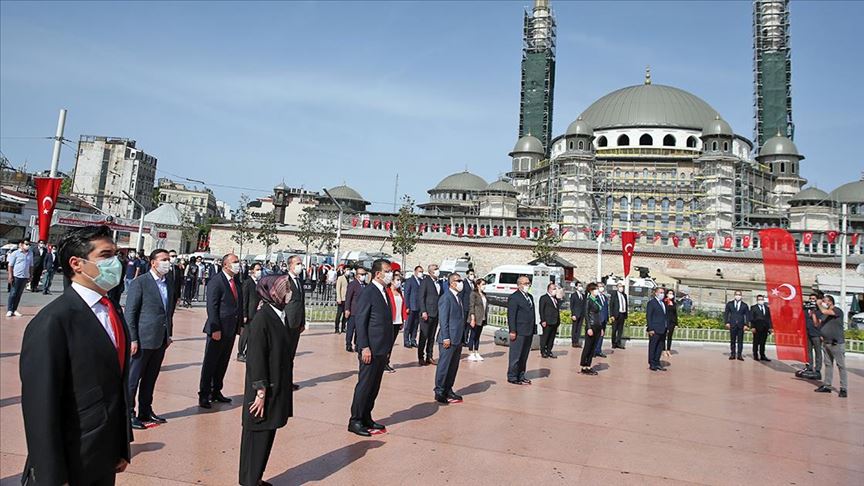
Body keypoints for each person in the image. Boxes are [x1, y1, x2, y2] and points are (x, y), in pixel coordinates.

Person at [19, 225, 131, 485]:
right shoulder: (53, 321)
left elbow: (116, 384)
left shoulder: (111, 309)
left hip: (103, 454)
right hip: (71, 459)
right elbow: (40, 406)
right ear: (76, 263)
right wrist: (51, 476)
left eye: (116, 254)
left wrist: (120, 446)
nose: (116, 263)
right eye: (105, 255)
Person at [238, 275, 295, 486]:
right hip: (263, 388)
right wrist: (259, 391)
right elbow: (256, 358)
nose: (288, 292)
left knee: (267, 435)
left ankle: (256, 477)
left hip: (276, 384)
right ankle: (249, 481)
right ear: (271, 292)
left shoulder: (279, 314)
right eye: (284, 289)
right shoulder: (263, 318)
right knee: (257, 436)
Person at [126, 248, 175, 430]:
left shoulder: (168, 282)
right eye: (163, 259)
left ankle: (145, 410)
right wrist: (133, 338)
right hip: (142, 339)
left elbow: (168, 311)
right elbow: (130, 312)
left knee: (150, 377)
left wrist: (168, 334)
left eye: (168, 259)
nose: (167, 262)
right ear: (153, 262)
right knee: (133, 379)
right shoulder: (140, 282)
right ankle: (129, 413)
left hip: (160, 339)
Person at [348, 259, 395, 437]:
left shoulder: (383, 291)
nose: (390, 274)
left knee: (374, 386)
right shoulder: (368, 292)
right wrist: (364, 346)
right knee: (365, 384)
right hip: (370, 348)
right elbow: (361, 321)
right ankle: (356, 420)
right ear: (378, 274)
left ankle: (367, 416)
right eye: (387, 271)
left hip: (382, 348)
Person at [198, 253, 244, 409]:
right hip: (218, 329)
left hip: (231, 329)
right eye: (235, 262)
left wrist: (240, 325)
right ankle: (204, 394)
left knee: (223, 362)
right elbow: (212, 307)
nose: (238, 264)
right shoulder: (216, 282)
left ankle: (216, 390)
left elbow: (239, 304)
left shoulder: (236, 282)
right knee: (211, 362)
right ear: (226, 265)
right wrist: (215, 328)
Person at [434, 273, 466, 403]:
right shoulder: (446, 298)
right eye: (458, 281)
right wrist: (446, 337)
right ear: (452, 283)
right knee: (444, 366)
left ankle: (448, 389)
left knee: (453, 366)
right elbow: (443, 320)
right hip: (448, 338)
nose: (460, 283)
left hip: (457, 338)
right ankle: (440, 391)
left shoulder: (458, 298)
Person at [813, 295, 847, 398]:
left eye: (825, 301)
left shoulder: (837, 311)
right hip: (826, 343)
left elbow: (824, 311)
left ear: (831, 302)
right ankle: (827, 385)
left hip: (836, 343)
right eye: (822, 301)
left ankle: (843, 388)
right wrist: (814, 313)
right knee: (828, 365)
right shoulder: (824, 313)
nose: (823, 303)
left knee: (841, 366)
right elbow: (817, 324)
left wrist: (819, 304)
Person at [507, 275, 536, 385]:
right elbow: (511, 315)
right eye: (525, 283)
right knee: (516, 355)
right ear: (519, 285)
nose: (528, 285)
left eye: (528, 283)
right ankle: (513, 376)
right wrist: (512, 330)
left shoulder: (530, 297)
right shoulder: (514, 298)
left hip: (528, 330)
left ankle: (521, 375)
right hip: (518, 330)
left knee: (524, 355)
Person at [283, 256, 307, 391]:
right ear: (290, 265)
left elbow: (301, 303)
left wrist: (302, 321)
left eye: (301, 264)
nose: (300, 266)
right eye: (298, 263)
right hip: (287, 322)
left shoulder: (299, 281)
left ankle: (288, 381)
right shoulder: (284, 280)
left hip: (296, 323)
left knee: (291, 354)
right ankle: (280, 380)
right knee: (283, 353)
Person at [418, 263, 443, 366]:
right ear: (430, 272)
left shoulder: (439, 282)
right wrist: (423, 311)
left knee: (432, 337)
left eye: (437, 268)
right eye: (435, 269)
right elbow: (421, 297)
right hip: (427, 313)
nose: (437, 270)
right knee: (424, 336)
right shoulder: (425, 281)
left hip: (436, 313)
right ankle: (421, 356)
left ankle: (430, 356)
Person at [238, 262, 263, 362]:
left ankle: (249, 352)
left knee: (254, 335)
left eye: (260, 269)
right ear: (252, 271)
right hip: (249, 313)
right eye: (257, 269)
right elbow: (244, 299)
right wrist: (244, 314)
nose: (259, 272)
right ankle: (241, 352)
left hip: (258, 312)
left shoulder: (260, 283)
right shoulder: (247, 283)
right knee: (245, 334)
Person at [385, 274, 408, 373]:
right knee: (386, 343)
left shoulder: (399, 292)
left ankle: (387, 361)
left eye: (400, 280)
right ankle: (383, 362)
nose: (399, 282)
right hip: (390, 321)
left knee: (391, 344)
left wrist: (403, 319)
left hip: (398, 321)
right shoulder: (387, 292)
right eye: (397, 280)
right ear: (392, 281)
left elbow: (403, 306)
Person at [579, 283, 603, 375]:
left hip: (597, 325)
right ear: (591, 291)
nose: (597, 290)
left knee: (593, 347)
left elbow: (598, 315)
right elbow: (586, 314)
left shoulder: (597, 300)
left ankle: (588, 365)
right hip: (591, 326)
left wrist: (601, 328)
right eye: (596, 289)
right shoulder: (588, 300)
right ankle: (583, 366)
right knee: (588, 346)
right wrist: (589, 327)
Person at [6, 239, 33, 317]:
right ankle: (9, 310)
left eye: (29, 244)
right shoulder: (15, 253)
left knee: (19, 294)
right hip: (16, 276)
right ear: (21, 244)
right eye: (26, 244)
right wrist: (10, 276)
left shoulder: (30, 254)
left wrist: (31, 275)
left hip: (25, 276)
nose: (28, 246)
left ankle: (15, 309)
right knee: (13, 293)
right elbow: (10, 265)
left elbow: (31, 265)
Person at [344, 266, 368, 352]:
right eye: (362, 274)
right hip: (353, 311)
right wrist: (347, 309)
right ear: (357, 275)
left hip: (362, 312)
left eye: (365, 274)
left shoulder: (366, 285)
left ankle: (358, 344)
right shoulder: (352, 284)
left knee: (360, 329)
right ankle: (348, 344)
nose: (364, 276)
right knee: (350, 329)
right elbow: (348, 298)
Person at [646, 287, 668, 371]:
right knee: (653, 346)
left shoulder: (663, 303)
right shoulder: (651, 303)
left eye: (663, 292)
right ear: (656, 293)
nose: (662, 294)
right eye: (660, 292)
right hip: (654, 329)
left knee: (660, 346)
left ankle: (657, 362)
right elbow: (649, 316)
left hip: (663, 329)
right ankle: (652, 363)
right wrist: (650, 328)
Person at [724, 290, 750, 361]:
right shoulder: (730, 304)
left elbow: (747, 316)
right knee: (732, 340)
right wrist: (727, 322)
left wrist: (746, 324)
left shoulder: (745, 305)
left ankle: (739, 355)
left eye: (739, 295)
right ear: (734, 295)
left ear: (741, 296)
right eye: (736, 294)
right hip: (732, 324)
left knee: (740, 341)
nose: (738, 296)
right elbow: (726, 314)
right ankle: (732, 354)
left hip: (741, 325)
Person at [402, 265, 424, 348]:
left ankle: (413, 339)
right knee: (408, 325)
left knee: (415, 325)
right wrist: (407, 306)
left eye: (422, 271)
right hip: (411, 306)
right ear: (415, 272)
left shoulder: (422, 281)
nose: (421, 273)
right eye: (419, 271)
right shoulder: (410, 281)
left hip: (419, 307)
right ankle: (406, 341)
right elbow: (407, 294)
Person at [467, 277, 489, 362]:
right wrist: (472, 318)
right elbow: (471, 306)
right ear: (478, 285)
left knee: (478, 336)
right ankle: (471, 352)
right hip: (475, 317)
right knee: (473, 335)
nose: (484, 286)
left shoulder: (484, 294)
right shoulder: (473, 294)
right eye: (483, 284)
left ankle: (476, 351)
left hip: (482, 318)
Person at [803, 293, 823, 378]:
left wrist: (814, 311)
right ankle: (809, 367)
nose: (812, 300)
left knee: (818, 351)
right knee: (808, 351)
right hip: (807, 332)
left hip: (816, 333)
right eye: (810, 298)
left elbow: (818, 323)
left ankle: (818, 368)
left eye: (813, 299)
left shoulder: (819, 310)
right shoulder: (806, 310)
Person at [538, 282, 561, 359]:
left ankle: (549, 351)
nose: (555, 290)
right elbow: (541, 310)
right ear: (549, 289)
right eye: (553, 289)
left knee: (552, 338)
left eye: (555, 289)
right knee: (545, 337)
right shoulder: (544, 298)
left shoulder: (555, 299)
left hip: (555, 321)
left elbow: (557, 309)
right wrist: (543, 320)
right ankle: (543, 351)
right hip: (547, 321)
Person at [750, 294, 772, 361]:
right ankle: (755, 355)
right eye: (759, 299)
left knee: (763, 343)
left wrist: (770, 327)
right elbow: (751, 318)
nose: (761, 300)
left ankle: (762, 355)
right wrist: (752, 327)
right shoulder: (753, 308)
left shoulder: (767, 308)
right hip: (757, 327)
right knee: (756, 342)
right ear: (757, 300)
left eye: (762, 299)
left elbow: (769, 319)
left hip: (765, 328)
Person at [610, 282, 629, 350]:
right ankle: (613, 343)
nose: (621, 288)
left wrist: (626, 314)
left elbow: (626, 304)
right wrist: (611, 315)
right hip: (615, 314)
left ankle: (618, 343)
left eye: (622, 287)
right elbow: (611, 305)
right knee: (614, 329)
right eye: (620, 286)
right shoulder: (614, 294)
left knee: (620, 330)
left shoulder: (624, 295)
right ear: (617, 287)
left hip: (622, 314)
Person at [594, 282, 610, 358]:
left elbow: (606, 308)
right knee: (595, 335)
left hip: (604, 319)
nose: (601, 288)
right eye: (600, 286)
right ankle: (593, 351)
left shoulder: (605, 297)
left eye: (602, 286)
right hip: (597, 320)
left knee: (601, 335)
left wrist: (607, 317)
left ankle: (598, 350)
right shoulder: (595, 297)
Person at [459, 270, 475, 345]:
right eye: (471, 274)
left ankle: (466, 339)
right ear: (467, 275)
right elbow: (461, 295)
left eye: (473, 274)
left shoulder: (474, 284)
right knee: (464, 324)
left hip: (471, 307)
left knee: (468, 325)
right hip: (465, 306)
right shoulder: (464, 283)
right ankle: (462, 339)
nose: (472, 275)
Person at [569, 282, 586, 348]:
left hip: (581, 314)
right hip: (575, 314)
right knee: (575, 328)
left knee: (579, 328)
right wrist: (573, 314)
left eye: (581, 285)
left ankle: (577, 341)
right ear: (576, 287)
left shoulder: (583, 296)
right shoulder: (573, 295)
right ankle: (574, 342)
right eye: (579, 285)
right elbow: (572, 305)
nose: (580, 287)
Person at [663, 290, 678, 358]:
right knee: (663, 336)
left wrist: (676, 323)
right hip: (665, 322)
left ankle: (668, 350)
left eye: (672, 294)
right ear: (666, 294)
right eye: (670, 293)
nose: (671, 295)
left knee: (670, 337)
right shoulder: (664, 302)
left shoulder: (674, 303)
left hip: (672, 322)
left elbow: (675, 314)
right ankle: (663, 350)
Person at [334, 266, 349, 334]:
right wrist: (338, 298)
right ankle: (336, 328)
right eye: (347, 270)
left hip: (347, 299)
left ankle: (343, 328)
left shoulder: (349, 278)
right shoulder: (340, 278)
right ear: (344, 270)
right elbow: (338, 288)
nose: (348, 271)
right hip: (341, 299)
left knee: (345, 315)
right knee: (339, 314)